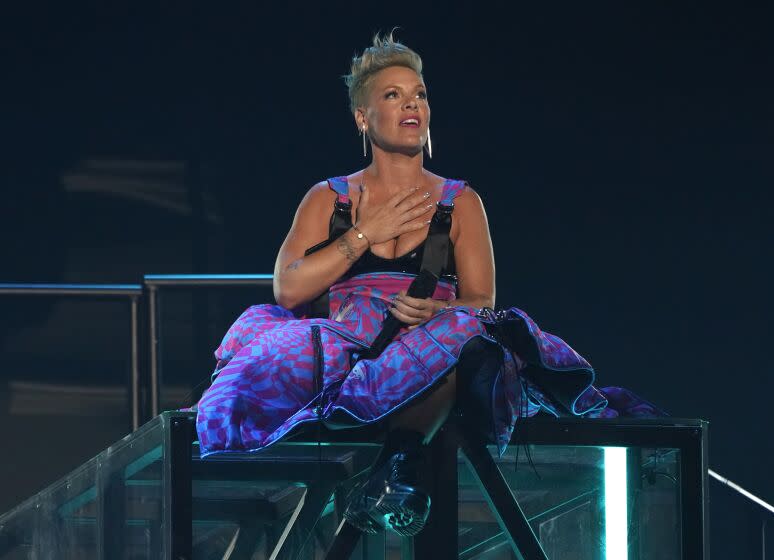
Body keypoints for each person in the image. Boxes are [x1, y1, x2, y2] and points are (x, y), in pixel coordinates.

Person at [195, 32, 661, 537]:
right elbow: (287, 289)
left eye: (418, 93)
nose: (411, 104)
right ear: (362, 117)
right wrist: (366, 233)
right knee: (274, 347)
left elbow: (483, 299)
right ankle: (392, 471)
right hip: (350, 339)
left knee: (475, 331)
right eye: (392, 95)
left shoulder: (461, 202)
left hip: (434, 340)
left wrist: (440, 314)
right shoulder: (327, 198)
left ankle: (399, 468)